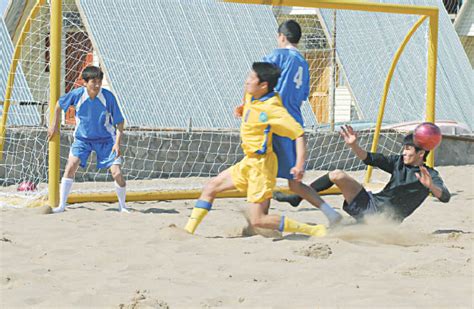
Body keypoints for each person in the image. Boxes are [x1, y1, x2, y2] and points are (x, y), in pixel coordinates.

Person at [184, 62, 326, 237]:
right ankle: (187, 233)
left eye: (251, 79)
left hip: (262, 167)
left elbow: (299, 134)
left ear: (263, 85)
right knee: (211, 187)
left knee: (258, 220)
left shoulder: (273, 109)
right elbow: (249, 106)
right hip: (248, 162)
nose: (246, 81)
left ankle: (313, 230)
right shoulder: (252, 95)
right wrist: (242, 109)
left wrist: (299, 164)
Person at [236, 20, 342, 225]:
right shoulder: (303, 62)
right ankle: (331, 213)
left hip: (275, 121)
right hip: (295, 122)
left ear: (282, 36)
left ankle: (260, 220)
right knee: (294, 183)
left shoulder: (277, 55)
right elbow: (304, 95)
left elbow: (256, 80)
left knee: (264, 171)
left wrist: (244, 105)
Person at [275, 125, 451, 222]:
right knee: (337, 174)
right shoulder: (398, 162)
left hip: (384, 220)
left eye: (408, 149)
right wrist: (353, 145)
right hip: (370, 202)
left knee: (353, 232)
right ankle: (297, 198)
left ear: (420, 154)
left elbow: (445, 197)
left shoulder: (429, 174)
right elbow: (369, 159)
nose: (404, 152)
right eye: (403, 149)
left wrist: (430, 187)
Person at [47, 66, 128, 213]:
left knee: (117, 174)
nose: (97, 85)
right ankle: (61, 206)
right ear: (85, 82)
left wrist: (117, 143)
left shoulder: (108, 96)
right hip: (82, 140)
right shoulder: (77, 94)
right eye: (93, 82)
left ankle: (123, 206)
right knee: (71, 166)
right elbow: (59, 104)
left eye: (99, 81)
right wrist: (54, 125)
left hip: (106, 140)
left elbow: (120, 122)